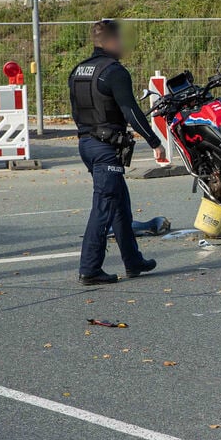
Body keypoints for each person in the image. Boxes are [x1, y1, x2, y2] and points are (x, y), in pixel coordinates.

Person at [69, 19, 166, 285]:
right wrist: (154, 141)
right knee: (104, 205)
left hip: (86, 144)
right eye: (121, 40)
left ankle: (133, 261)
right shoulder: (114, 71)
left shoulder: (78, 70)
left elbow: (76, 111)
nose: (124, 44)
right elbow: (130, 110)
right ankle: (90, 268)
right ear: (111, 41)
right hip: (105, 147)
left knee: (119, 202)